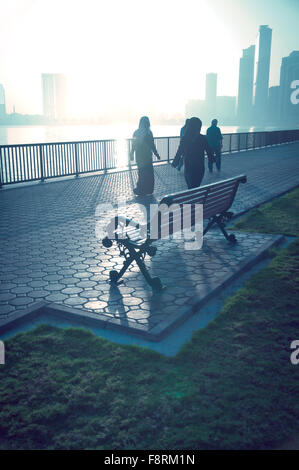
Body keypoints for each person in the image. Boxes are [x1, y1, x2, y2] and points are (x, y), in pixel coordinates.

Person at [172, 117, 213, 189]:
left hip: (188, 168)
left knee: (191, 187)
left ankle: (192, 198)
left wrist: (175, 162)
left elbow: (179, 151)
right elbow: (209, 151)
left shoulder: (185, 138)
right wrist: (212, 159)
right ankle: (195, 198)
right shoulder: (203, 138)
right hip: (199, 168)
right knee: (196, 186)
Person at [130, 116, 161, 196]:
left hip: (141, 157)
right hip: (147, 157)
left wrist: (131, 154)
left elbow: (133, 145)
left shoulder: (137, 132)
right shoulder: (149, 133)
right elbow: (152, 145)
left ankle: (141, 189)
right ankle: (147, 190)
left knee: (142, 173)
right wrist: (156, 154)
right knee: (148, 174)